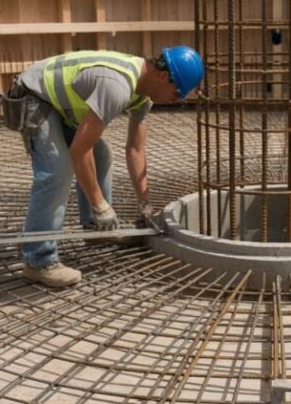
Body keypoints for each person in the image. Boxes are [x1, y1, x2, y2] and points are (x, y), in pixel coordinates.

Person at [12, 46, 204, 287]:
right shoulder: (117, 86)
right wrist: (100, 204)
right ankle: (37, 259)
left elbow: (135, 149)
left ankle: (96, 229)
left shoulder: (143, 93)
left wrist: (144, 203)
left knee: (102, 155)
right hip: (34, 95)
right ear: (163, 77)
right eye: (177, 94)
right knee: (57, 170)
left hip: (58, 106)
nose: (176, 101)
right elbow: (80, 151)